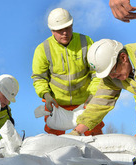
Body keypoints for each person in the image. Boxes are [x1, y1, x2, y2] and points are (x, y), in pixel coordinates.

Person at [31, 8, 104, 136]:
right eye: (60, 30)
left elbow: (96, 72)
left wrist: (93, 95)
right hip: (57, 104)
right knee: (54, 140)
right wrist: (46, 95)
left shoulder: (86, 42)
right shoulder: (43, 49)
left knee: (94, 133)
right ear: (52, 31)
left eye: (68, 28)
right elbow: (39, 78)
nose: (65, 33)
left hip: (86, 101)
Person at [70, 39, 136, 148]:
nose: (112, 77)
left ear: (123, 58)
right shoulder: (111, 77)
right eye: (108, 74)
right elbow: (100, 103)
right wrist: (77, 132)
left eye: (112, 71)